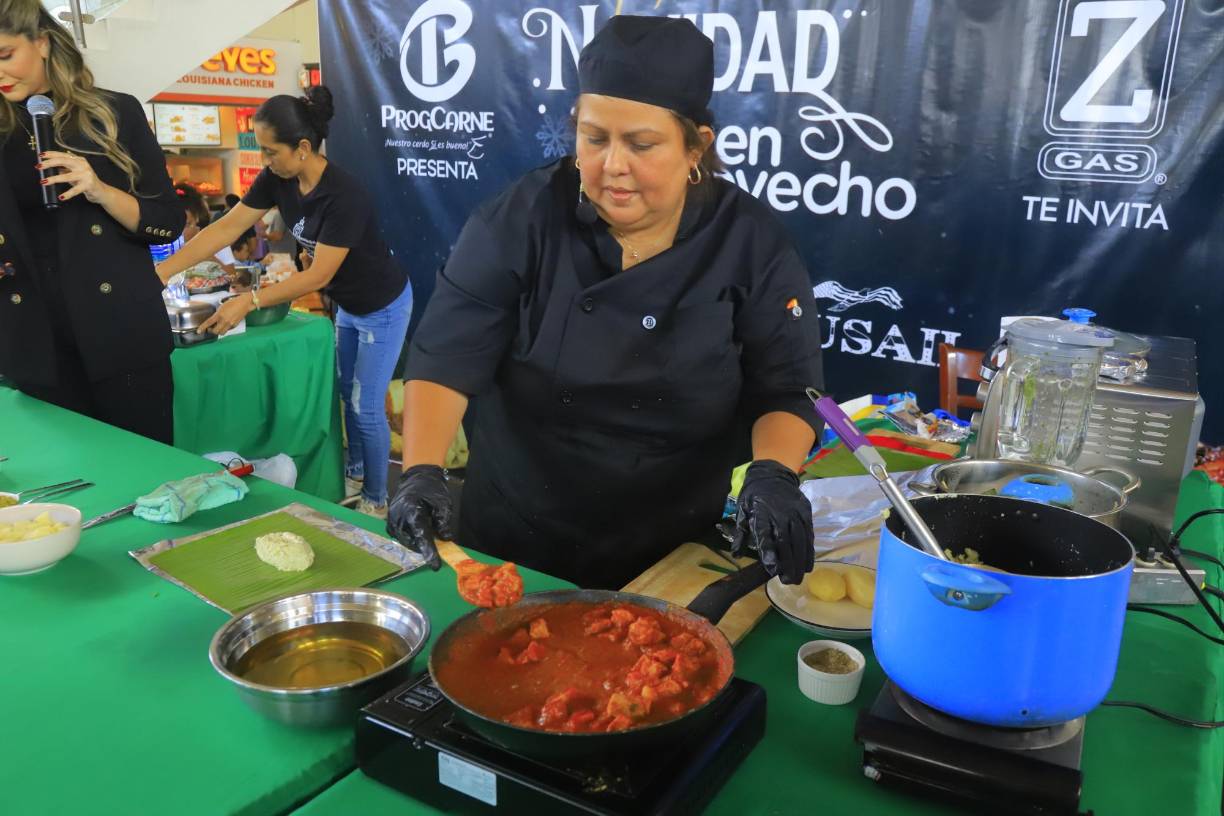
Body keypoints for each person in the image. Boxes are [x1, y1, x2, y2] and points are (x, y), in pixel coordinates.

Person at [388, 16, 824, 590]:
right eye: (594, 139)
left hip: (675, 548)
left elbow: (788, 387)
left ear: (697, 146)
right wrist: (422, 470)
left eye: (641, 144)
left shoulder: (750, 242)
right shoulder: (520, 220)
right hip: (520, 536)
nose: (612, 165)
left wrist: (772, 474)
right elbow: (446, 356)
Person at [154, 86, 412, 517]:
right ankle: (353, 472)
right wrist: (163, 272)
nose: (266, 161)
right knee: (345, 393)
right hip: (347, 304)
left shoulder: (345, 195)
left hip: (383, 305)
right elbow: (224, 228)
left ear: (303, 148)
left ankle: (376, 500)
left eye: (272, 151)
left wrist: (248, 301)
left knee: (366, 406)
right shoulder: (279, 178)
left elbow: (318, 275)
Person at [0, 0, 183, 443]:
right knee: (68, 491)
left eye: (5, 56)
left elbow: (167, 221)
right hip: (36, 344)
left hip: (120, 335)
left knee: (146, 478)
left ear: (41, 43)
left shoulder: (113, 114)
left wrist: (100, 190)